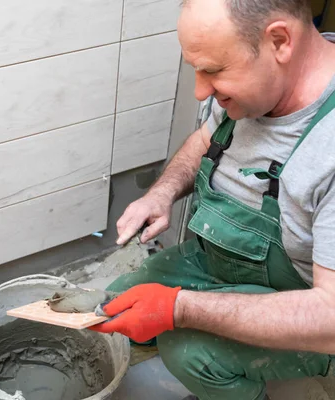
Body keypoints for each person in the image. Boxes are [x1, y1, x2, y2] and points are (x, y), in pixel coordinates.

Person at [89, 0, 335, 399]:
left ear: (279, 41)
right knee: (110, 307)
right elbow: (206, 139)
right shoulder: (261, 86)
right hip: (219, 262)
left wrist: (179, 310)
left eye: (213, 71)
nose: (200, 91)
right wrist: (161, 193)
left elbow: (330, 319)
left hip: (302, 306)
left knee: (189, 349)